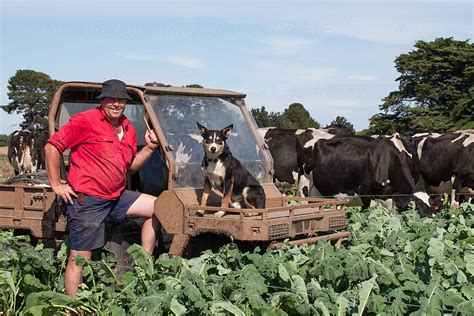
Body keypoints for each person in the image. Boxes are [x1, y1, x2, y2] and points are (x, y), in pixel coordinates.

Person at [45, 79, 161, 296]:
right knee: (80, 257)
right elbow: (52, 146)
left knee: (159, 206)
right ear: (102, 100)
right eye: (112, 99)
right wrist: (57, 184)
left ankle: (144, 269)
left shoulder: (127, 127)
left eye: (121, 100)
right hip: (88, 199)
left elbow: (130, 167)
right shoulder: (85, 121)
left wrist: (151, 147)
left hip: (116, 196)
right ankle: (72, 306)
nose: (117, 104)